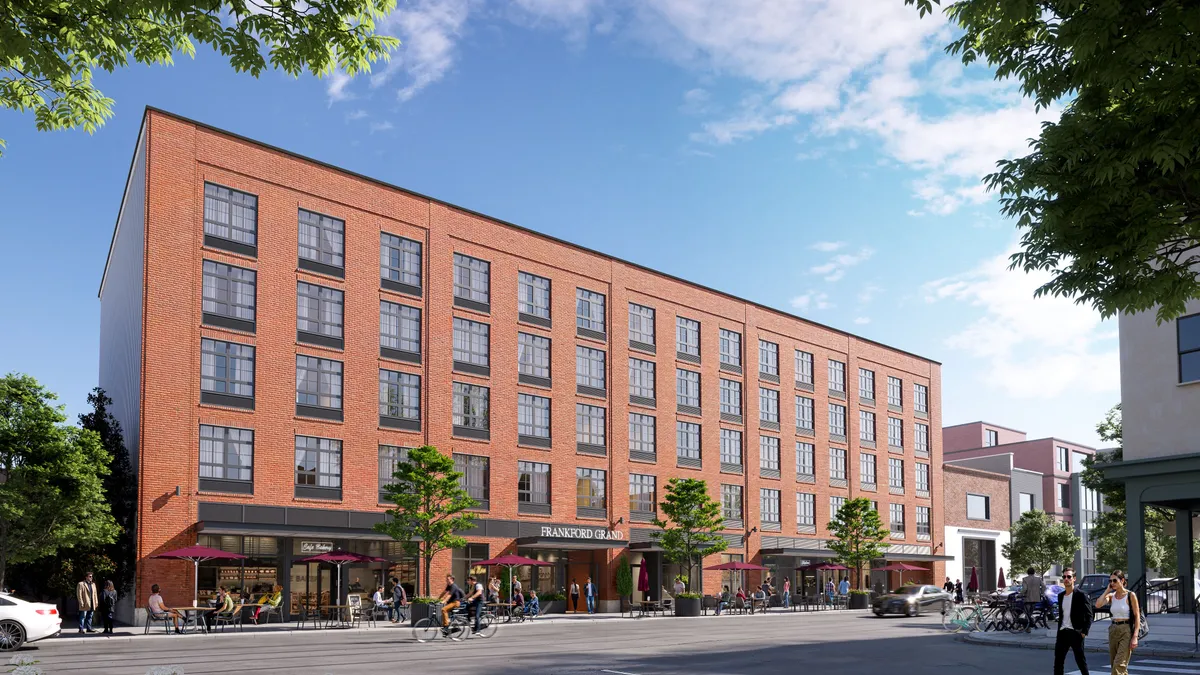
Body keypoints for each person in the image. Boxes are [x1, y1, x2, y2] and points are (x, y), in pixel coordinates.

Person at [1097, 570, 1139, 675]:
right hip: (1113, 630)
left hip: (1126, 630)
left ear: (1122, 580)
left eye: (1115, 580)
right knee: (1117, 666)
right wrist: (1107, 591)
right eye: (1110, 581)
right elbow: (1098, 605)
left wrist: (1135, 636)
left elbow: (1137, 615)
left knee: (1119, 665)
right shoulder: (1111, 596)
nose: (1112, 583)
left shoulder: (1130, 595)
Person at [1054, 567, 1093, 675]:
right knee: (1058, 662)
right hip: (1062, 632)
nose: (1066, 579)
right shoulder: (1060, 596)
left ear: (1074, 578)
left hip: (1076, 632)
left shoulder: (1081, 595)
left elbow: (1089, 615)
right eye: (1064, 577)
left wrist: (1084, 632)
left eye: (1069, 576)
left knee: (1080, 661)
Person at [1022, 567, 1047, 633]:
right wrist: (1041, 593)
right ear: (1034, 572)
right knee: (1030, 613)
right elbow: (1044, 586)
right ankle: (1028, 628)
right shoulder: (1038, 579)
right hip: (1036, 598)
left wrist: (1020, 594)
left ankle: (1027, 628)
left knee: (1027, 614)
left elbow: (1024, 589)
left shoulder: (1025, 579)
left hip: (1028, 598)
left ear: (1027, 572)